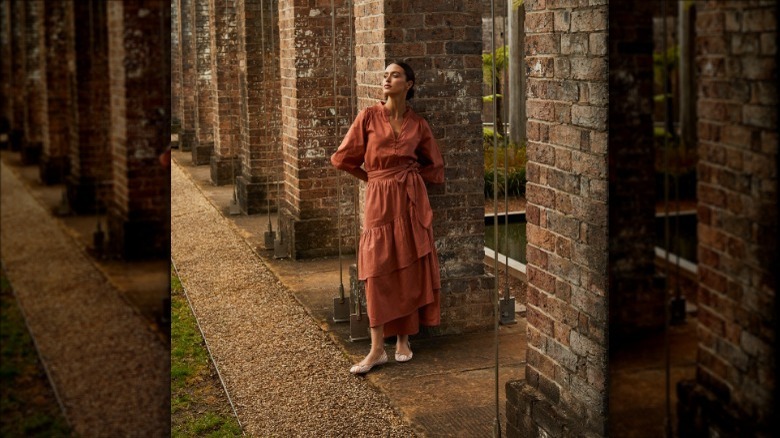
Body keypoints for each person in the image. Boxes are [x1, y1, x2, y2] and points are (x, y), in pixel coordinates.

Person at [331, 62, 445, 374]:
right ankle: (376, 348)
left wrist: (410, 176)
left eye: (394, 75)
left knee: (406, 264)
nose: (386, 78)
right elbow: (342, 159)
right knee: (377, 269)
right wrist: (374, 178)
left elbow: (434, 165)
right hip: (378, 200)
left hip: (407, 202)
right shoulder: (368, 116)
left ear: (409, 83)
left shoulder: (418, 124)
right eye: (385, 74)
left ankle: (403, 340)